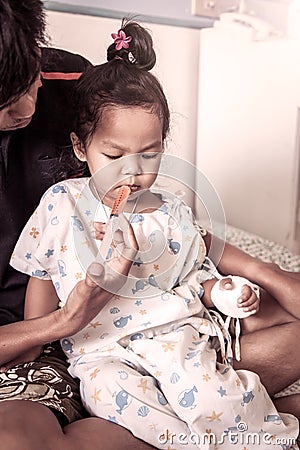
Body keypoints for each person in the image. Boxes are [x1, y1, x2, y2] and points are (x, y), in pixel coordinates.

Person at [9, 19, 299, 449]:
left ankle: (262, 437)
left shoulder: (170, 210)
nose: (132, 170)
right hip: (99, 351)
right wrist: (38, 335)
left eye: (149, 155)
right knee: (115, 399)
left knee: (218, 397)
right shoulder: (60, 203)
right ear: (79, 147)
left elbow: (194, 277)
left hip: (176, 338)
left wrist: (224, 291)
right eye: (114, 154)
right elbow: (41, 273)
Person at [0, 1, 155, 449]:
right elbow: (41, 277)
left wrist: (265, 274)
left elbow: (153, 206)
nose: (28, 107)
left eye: (30, 81)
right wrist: (61, 323)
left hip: (108, 315)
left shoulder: (73, 81)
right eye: (4, 104)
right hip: (44, 331)